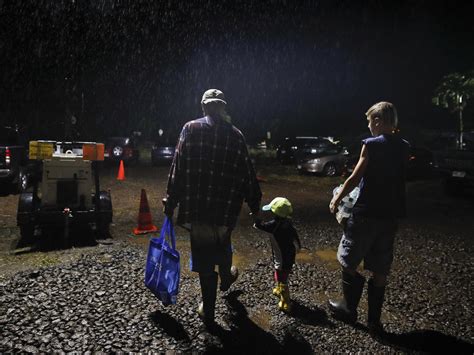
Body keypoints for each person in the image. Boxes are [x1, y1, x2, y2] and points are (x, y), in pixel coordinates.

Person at [164, 89, 262, 327]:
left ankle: (208, 311)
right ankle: (227, 277)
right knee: (223, 240)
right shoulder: (236, 135)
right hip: (225, 209)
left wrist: (171, 198)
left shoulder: (190, 129)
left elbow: (178, 166)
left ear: (204, 107)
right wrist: (254, 203)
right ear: (222, 107)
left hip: (198, 208)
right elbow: (247, 172)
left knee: (205, 257)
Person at [328, 101, 409, 336]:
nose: (369, 127)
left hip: (366, 213)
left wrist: (337, 198)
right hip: (391, 215)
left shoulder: (371, 145)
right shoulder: (404, 146)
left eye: (370, 121)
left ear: (378, 121)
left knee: (349, 259)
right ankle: (374, 321)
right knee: (380, 266)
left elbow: (355, 177)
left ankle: (348, 309)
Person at [254, 197, 301, 313]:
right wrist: (298, 249)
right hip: (290, 254)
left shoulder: (273, 226)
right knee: (282, 274)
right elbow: (296, 239)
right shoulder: (288, 224)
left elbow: (259, 226)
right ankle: (280, 288)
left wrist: (256, 218)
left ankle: (286, 302)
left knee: (281, 276)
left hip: (281, 257)